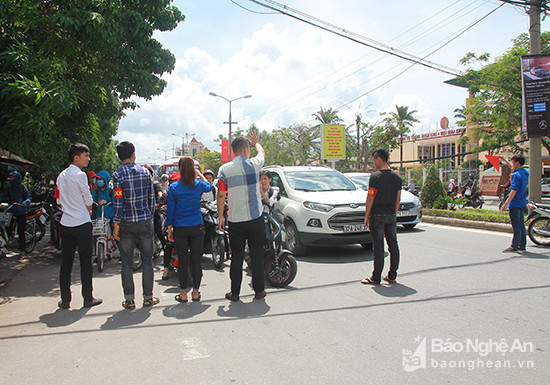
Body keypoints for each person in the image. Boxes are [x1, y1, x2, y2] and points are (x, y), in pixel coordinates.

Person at [217, 130, 266, 301]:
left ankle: (235, 293)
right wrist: (256, 142)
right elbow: (262, 153)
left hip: (236, 220)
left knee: (236, 257)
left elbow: (221, 194)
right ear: (246, 150)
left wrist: (220, 217)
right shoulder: (255, 164)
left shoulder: (224, 170)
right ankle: (259, 291)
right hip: (256, 218)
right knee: (257, 254)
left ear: (233, 151)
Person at [112, 141, 159, 309]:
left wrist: (116, 223)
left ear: (119, 157)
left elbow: (117, 201)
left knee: (126, 262)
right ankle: (148, 298)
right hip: (145, 222)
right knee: (147, 261)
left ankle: (129, 300)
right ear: (133, 154)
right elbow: (151, 200)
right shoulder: (146, 173)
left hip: (126, 224)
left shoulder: (117, 176)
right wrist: (149, 216)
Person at [55, 143, 102, 309]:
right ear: (76, 158)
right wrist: (87, 209)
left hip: (66, 223)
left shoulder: (61, 176)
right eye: (86, 156)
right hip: (81, 223)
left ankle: (65, 300)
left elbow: (59, 201)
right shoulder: (80, 175)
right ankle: (88, 298)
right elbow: (88, 199)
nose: (88, 159)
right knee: (85, 262)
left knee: (66, 262)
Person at [166, 157, 211, 302]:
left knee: (183, 261)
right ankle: (196, 292)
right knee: (196, 260)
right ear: (192, 169)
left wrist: (169, 229)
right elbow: (209, 187)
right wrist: (199, 173)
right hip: (196, 226)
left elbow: (170, 211)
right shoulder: (198, 184)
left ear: (179, 170)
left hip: (180, 227)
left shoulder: (174, 187)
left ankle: (183, 293)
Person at [361, 148, 402, 285]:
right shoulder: (397, 177)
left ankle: (376, 277)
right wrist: (393, 213)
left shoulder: (375, 177)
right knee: (393, 245)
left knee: (379, 246)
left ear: (379, 159)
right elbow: (398, 199)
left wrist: (367, 215)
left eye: (374, 160)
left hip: (377, 215)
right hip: (391, 215)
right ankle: (392, 275)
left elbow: (370, 198)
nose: (374, 163)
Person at [499, 154, 529, 252]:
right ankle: (522, 245)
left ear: (517, 162)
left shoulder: (516, 175)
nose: (512, 164)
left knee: (516, 226)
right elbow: (513, 168)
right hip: (522, 202)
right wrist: (505, 160)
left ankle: (514, 245)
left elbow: (513, 190)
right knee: (521, 225)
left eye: (513, 162)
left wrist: (505, 204)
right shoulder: (524, 172)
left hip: (515, 203)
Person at [0, 171, 31, 258]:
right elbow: (2, 196)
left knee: (21, 231)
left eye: (12, 177)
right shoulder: (9, 189)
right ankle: (5, 246)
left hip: (21, 211)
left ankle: (22, 249)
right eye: (9, 177)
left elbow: (28, 197)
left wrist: (25, 203)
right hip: (11, 211)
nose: (10, 179)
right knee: (7, 229)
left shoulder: (22, 187)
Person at [161, 172, 179, 280]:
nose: (173, 184)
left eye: (175, 182)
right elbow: (160, 206)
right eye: (171, 182)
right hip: (169, 224)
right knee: (168, 246)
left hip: (183, 224)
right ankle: (165, 270)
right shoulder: (166, 195)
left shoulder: (184, 193)